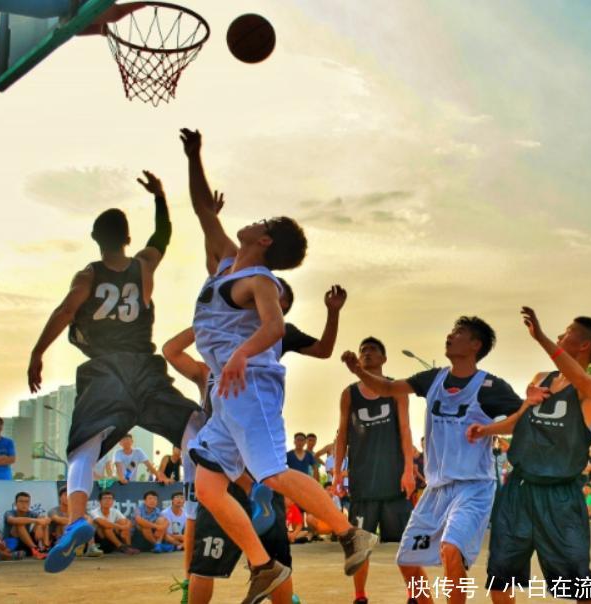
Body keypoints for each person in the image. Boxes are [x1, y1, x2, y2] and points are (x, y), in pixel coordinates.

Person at [181, 126, 375, 603]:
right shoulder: (227, 263)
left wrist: (240, 354)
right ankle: (263, 565)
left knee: (270, 471)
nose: (248, 222)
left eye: (260, 221)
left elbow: (273, 327)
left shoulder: (262, 281)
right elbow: (203, 211)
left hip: (251, 384)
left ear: (265, 239)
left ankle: (350, 533)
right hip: (227, 391)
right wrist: (194, 156)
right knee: (208, 486)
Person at [27, 171, 202, 573]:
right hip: (145, 367)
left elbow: (65, 311)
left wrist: (38, 352)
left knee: (83, 446)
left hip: (106, 369)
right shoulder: (143, 266)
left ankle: (76, 519)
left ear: (95, 238)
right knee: (192, 425)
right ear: (127, 237)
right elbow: (163, 236)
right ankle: (202, 505)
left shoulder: (88, 275)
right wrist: (160, 197)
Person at [162, 273, 347, 604]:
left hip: (259, 466)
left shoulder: (275, 339)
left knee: (275, 561)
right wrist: (207, 321)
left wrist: (332, 313)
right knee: (205, 564)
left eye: (276, 305)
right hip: (220, 469)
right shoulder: (207, 370)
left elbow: (323, 349)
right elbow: (170, 350)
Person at [342, 316, 533, 604]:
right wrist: (358, 371)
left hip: (473, 487)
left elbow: (523, 420)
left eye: (459, 332)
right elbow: (389, 388)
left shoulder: (490, 386)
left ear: (475, 345)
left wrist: (489, 429)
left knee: (450, 549)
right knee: (407, 560)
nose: (450, 335)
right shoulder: (433, 378)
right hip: (436, 490)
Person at [486, 308, 591, 603]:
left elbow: (578, 377)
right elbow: (519, 422)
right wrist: (485, 430)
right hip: (519, 488)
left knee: (578, 584)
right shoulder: (541, 379)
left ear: (584, 345)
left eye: (567, 332)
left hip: (559, 495)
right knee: (500, 577)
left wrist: (539, 337)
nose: (559, 335)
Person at [335, 336, 416, 604]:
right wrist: (337, 474)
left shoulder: (396, 389)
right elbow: (342, 435)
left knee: (407, 546)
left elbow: (405, 431)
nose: (367, 353)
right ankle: (360, 597)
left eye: (372, 350)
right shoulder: (349, 394)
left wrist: (408, 470)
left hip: (393, 483)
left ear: (383, 358)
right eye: (363, 351)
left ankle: (415, 596)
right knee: (359, 547)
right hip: (363, 486)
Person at [3, 491, 51, 559]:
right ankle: (35, 549)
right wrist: (37, 521)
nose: (24, 504)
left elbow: (47, 519)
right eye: (21, 501)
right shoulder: (9, 512)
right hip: (13, 543)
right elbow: (11, 520)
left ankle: (46, 548)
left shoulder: (30, 513)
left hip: (26, 543)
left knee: (44, 523)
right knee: (19, 524)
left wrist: (39, 525)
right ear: (15, 504)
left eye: (26, 502)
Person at [90, 491, 138, 555]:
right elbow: (104, 524)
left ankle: (128, 546)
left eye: (110, 498)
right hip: (100, 541)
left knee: (123, 522)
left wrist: (126, 527)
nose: (107, 500)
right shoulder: (94, 512)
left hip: (113, 539)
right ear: (100, 501)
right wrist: (121, 527)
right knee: (107, 527)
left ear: (113, 501)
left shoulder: (115, 511)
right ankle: (121, 547)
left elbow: (127, 521)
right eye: (105, 498)